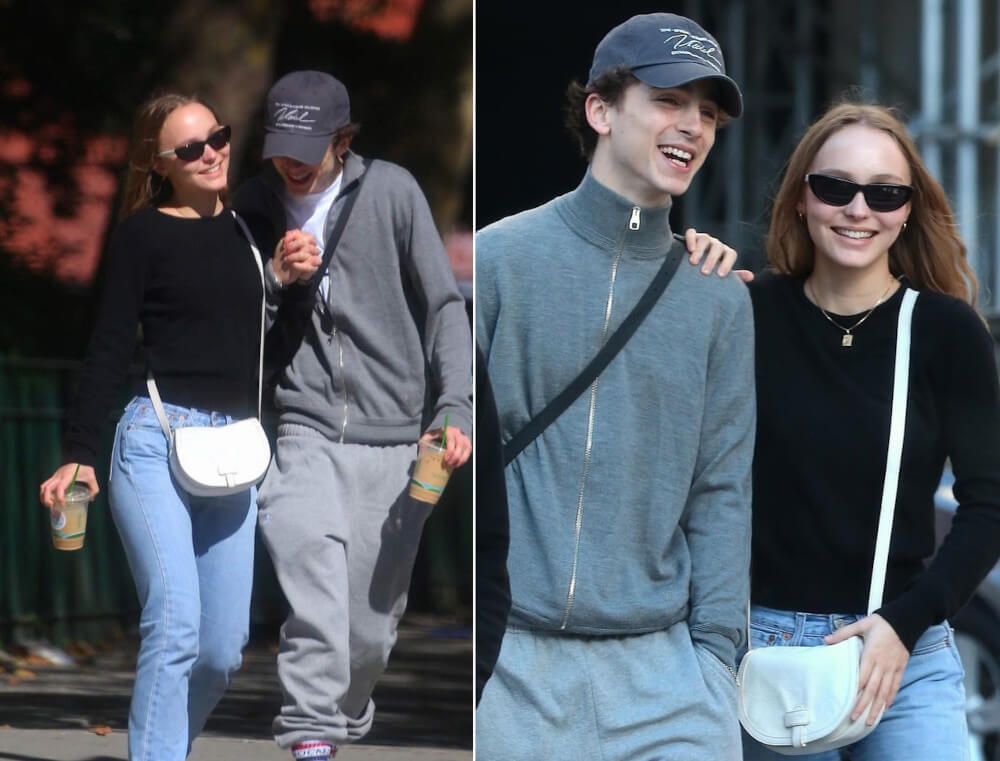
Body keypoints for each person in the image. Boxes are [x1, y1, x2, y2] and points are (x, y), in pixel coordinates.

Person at [476, 13, 754, 760]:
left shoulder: (718, 296)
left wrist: (716, 664)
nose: (692, 126)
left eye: (708, 113)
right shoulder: (497, 260)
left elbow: (722, 489)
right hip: (509, 675)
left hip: (668, 684)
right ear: (600, 110)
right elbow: (450, 442)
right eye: (669, 100)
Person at [37, 93, 294, 761]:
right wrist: (79, 452)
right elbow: (109, 345)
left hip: (232, 453)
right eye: (190, 148)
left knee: (220, 650)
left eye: (217, 137)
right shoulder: (142, 235)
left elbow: (264, 346)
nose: (210, 152)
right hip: (155, 443)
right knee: (175, 625)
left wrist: (283, 284)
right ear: (160, 165)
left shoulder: (248, 229)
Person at [743, 101, 1000, 760]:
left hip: (904, 649)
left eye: (884, 192)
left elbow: (990, 502)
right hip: (769, 653)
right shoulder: (749, 314)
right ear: (802, 196)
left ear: (908, 208)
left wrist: (905, 621)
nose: (859, 209)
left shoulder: (947, 331)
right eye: (835, 187)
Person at [231, 70, 473, 761]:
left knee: (368, 633)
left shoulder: (392, 191)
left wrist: (452, 402)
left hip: (394, 442)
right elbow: (229, 328)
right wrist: (276, 282)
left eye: (309, 147)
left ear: (344, 140)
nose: (292, 164)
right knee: (315, 607)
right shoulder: (253, 205)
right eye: (282, 146)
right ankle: (310, 731)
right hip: (300, 429)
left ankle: (345, 707)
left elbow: (443, 306)